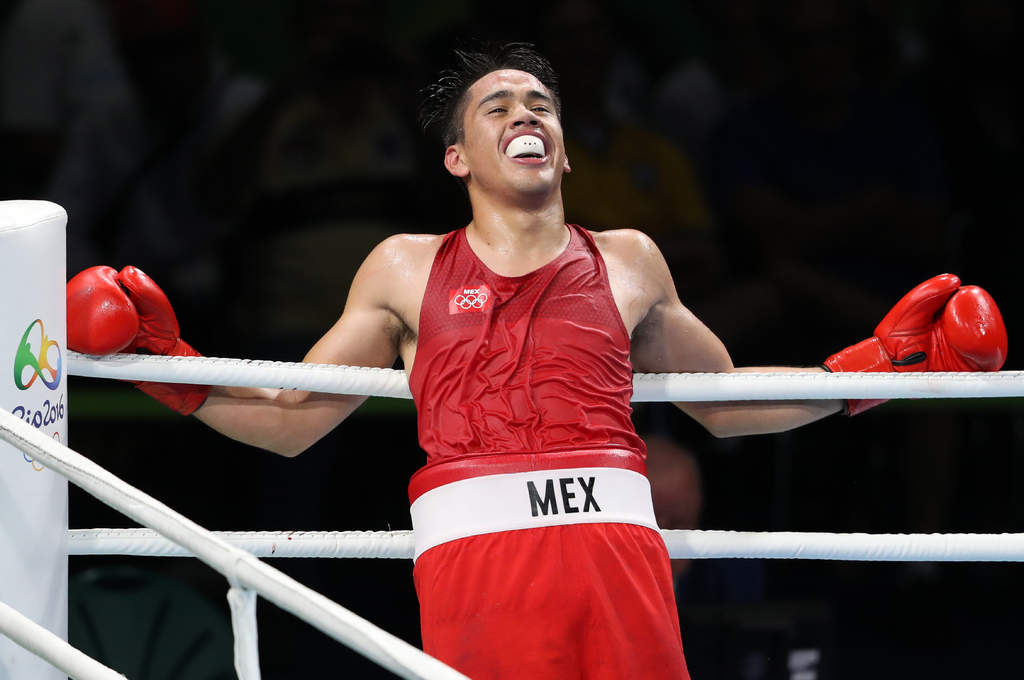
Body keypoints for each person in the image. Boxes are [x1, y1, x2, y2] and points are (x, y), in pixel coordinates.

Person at [65, 43, 1008, 679]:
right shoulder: (404, 266)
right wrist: (164, 362)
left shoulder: (630, 259)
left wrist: (883, 369)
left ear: (560, 142)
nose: (529, 114)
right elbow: (288, 419)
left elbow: (729, 402)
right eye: (500, 104)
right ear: (456, 157)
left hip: (616, 551)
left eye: (543, 104)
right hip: (480, 558)